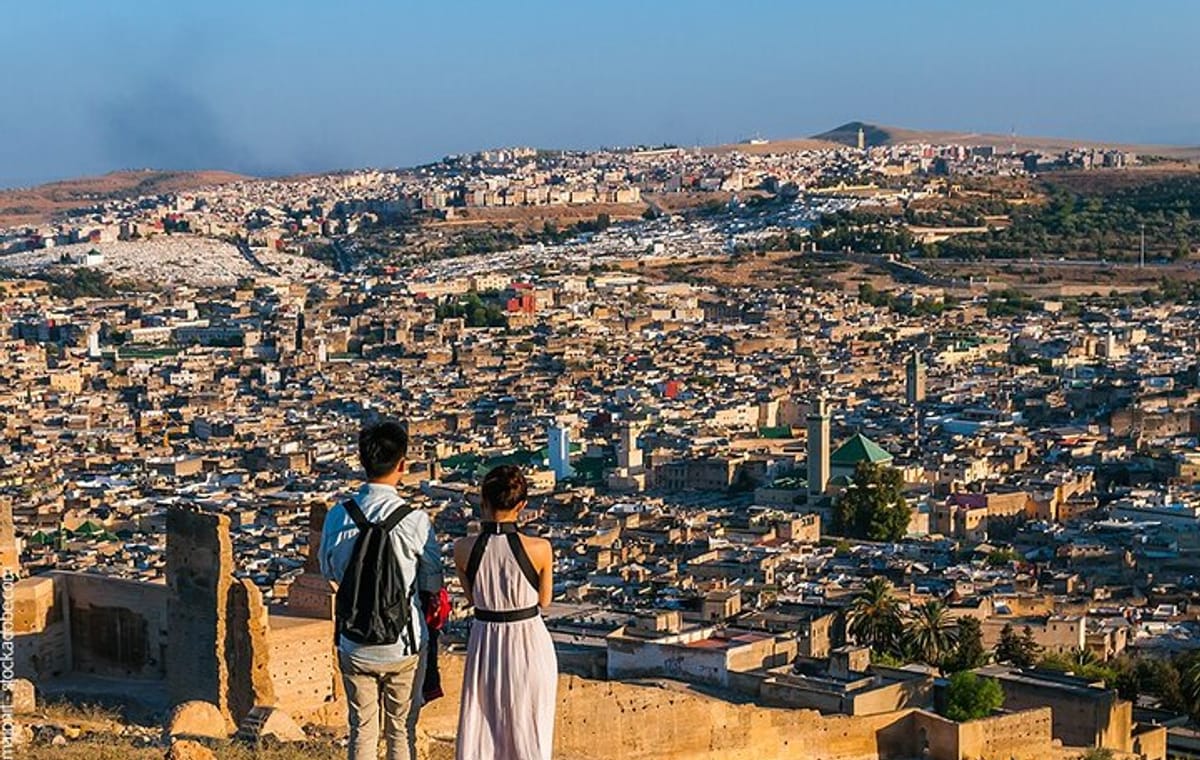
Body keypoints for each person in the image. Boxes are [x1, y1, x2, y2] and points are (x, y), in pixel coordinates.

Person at [320, 419, 444, 760]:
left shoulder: (337, 516)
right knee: (401, 732)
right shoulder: (415, 520)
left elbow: (329, 571)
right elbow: (432, 582)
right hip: (403, 645)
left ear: (362, 462)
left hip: (354, 641)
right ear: (402, 465)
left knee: (361, 729)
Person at [453, 465, 557, 760]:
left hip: (486, 642)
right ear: (522, 506)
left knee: (485, 728)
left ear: (483, 502)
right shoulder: (540, 548)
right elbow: (545, 600)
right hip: (529, 641)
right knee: (529, 729)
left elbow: (473, 598)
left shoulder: (462, 548)